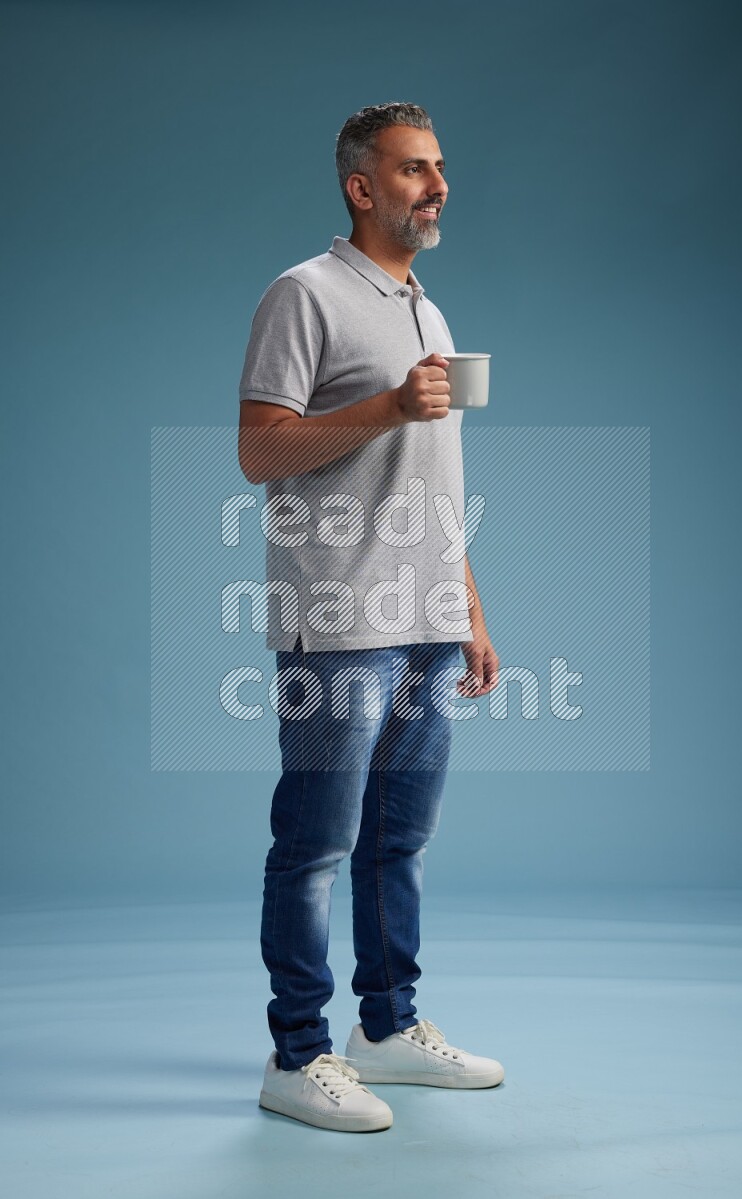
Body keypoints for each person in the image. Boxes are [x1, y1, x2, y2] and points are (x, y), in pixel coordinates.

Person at [237, 101, 503, 1134]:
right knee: (313, 845)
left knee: (399, 841)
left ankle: (384, 1030)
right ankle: (296, 1051)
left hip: (428, 618)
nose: (436, 184)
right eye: (412, 169)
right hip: (340, 618)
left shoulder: (428, 312)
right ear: (360, 186)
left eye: (438, 167)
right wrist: (387, 406)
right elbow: (260, 451)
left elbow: (431, 483)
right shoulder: (302, 295)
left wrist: (469, 610)